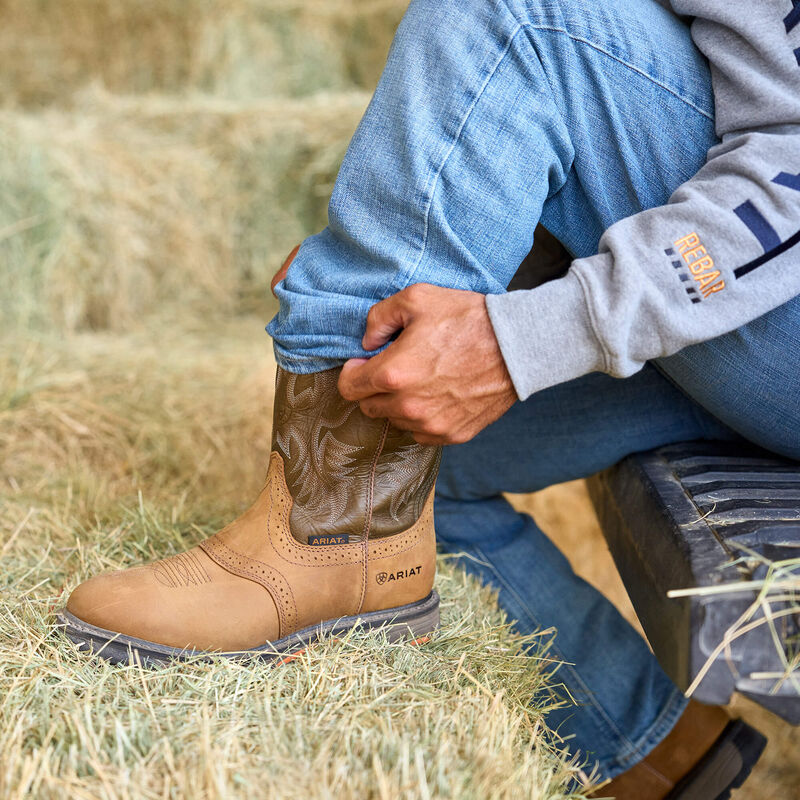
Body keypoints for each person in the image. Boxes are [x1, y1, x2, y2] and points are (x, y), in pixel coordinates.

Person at [61, 0, 800, 796]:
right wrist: (423, 258)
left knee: (517, 16)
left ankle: (329, 539)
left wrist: (540, 331)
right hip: (744, 334)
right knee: (418, 443)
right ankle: (656, 750)